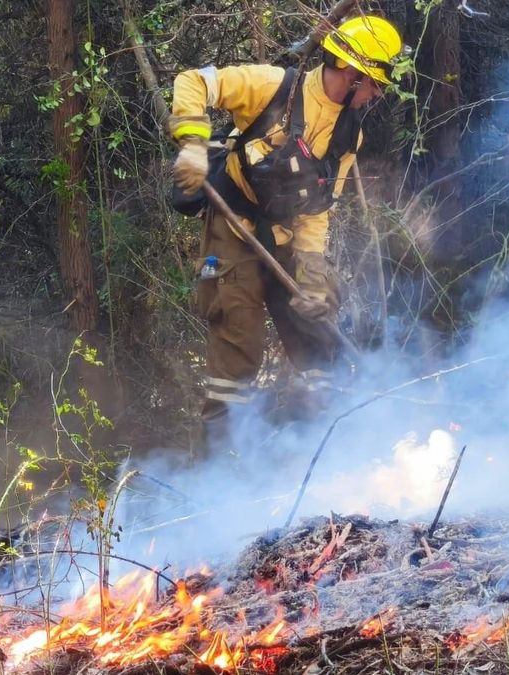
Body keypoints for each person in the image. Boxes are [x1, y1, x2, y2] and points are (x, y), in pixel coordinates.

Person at [169, 16, 404, 447]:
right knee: (238, 343)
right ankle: (218, 465)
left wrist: (312, 276)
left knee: (318, 330)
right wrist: (192, 145)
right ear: (352, 74)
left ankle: (320, 450)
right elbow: (194, 80)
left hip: (287, 238)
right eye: (374, 84)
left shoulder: (349, 134)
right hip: (233, 229)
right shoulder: (273, 87)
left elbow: (318, 210)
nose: (376, 95)